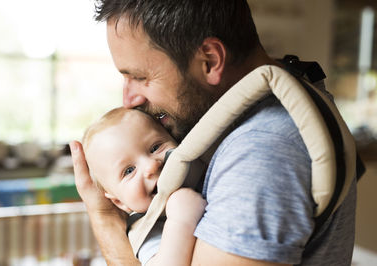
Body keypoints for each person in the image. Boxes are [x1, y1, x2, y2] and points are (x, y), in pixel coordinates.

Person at [70, 1, 357, 265]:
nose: (129, 99)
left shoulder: (260, 150)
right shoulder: (294, 88)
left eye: (140, 77)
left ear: (209, 60)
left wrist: (105, 220)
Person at [82, 107, 206, 265]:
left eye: (155, 148)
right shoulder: (147, 230)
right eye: (129, 171)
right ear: (119, 202)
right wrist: (181, 219)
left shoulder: (207, 166)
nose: (151, 166)